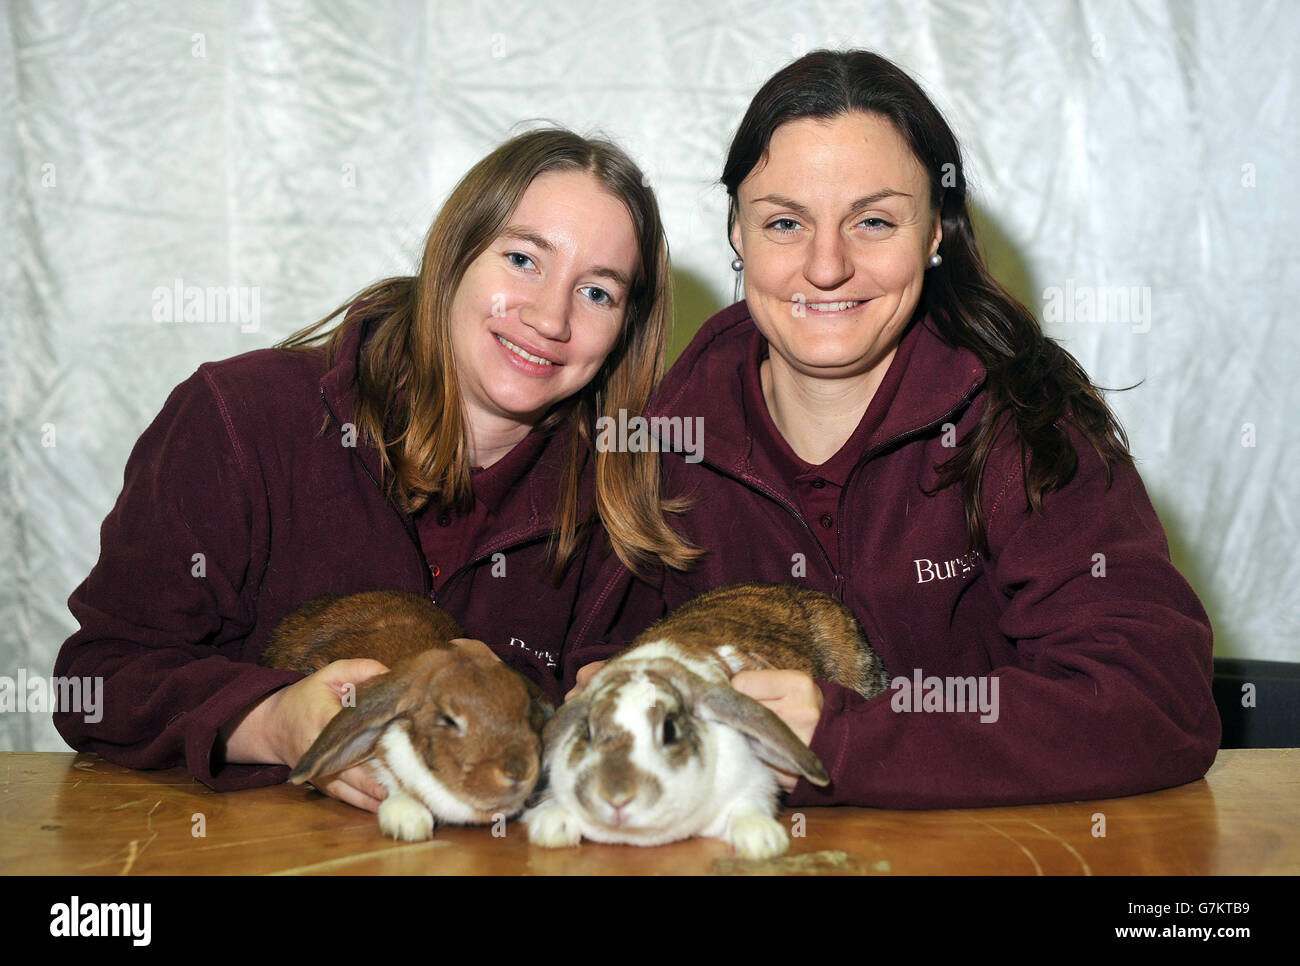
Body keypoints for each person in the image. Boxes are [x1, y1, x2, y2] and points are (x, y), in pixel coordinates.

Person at [565, 50, 1220, 808]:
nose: (827, 266)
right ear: (738, 237)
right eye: (785, 222)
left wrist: (850, 736)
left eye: (873, 221)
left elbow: (1154, 703)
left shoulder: (1029, 425)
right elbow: (590, 667)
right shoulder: (659, 441)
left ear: (936, 234)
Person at [53, 128, 698, 814]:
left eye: (597, 293)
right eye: (521, 260)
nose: (549, 316)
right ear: (455, 257)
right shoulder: (241, 417)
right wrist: (269, 723)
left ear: (627, 330)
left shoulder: (629, 503)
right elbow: (96, 681)